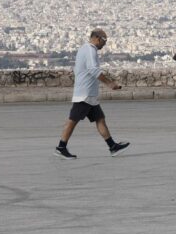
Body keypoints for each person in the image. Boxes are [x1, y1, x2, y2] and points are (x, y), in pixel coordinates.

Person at [54, 28, 130, 159]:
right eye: (104, 40)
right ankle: (61, 147)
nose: (105, 43)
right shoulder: (90, 49)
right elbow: (93, 69)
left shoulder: (85, 48)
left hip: (90, 95)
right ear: (96, 38)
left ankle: (112, 146)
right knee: (72, 120)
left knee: (100, 119)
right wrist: (110, 83)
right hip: (85, 94)